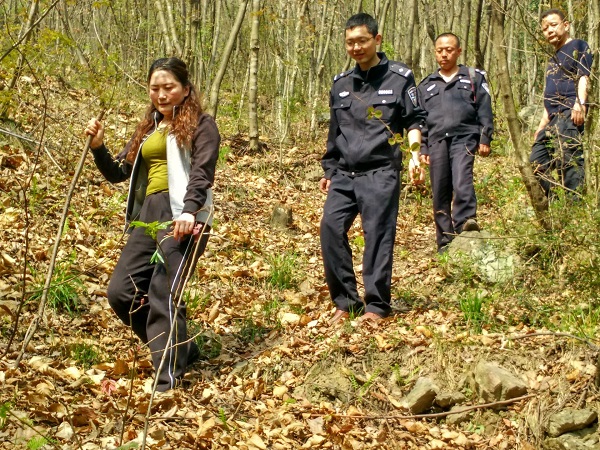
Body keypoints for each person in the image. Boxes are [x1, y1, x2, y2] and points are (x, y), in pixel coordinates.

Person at [85, 57, 220, 391]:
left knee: (163, 292)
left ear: (185, 89)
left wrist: (189, 211)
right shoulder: (149, 128)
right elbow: (119, 172)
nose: (161, 95)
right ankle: (181, 347)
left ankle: (166, 383)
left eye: (168, 87)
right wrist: (99, 147)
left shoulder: (202, 125)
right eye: (154, 88)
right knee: (121, 292)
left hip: (183, 215)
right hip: (147, 216)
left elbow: (202, 172)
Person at [319, 13, 425, 325]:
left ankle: (376, 306)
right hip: (344, 173)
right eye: (350, 42)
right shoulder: (341, 84)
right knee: (330, 229)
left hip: (381, 172)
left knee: (377, 235)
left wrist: (415, 156)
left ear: (376, 39)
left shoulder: (399, 77)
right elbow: (335, 132)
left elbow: (414, 120)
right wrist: (329, 170)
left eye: (362, 41)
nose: (356, 48)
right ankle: (346, 301)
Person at [417, 32, 493, 253]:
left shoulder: (473, 77)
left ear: (458, 51)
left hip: (465, 137)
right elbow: (421, 120)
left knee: (462, 180)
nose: (444, 54)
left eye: (449, 50)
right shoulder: (426, 85)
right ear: (435, 53)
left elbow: (485, 109)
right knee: (440, 189)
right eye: (440, 50)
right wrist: (423, 146)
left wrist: (485, 137)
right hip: (437, 141)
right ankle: (445, 240)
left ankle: (465, 224)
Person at [530, 9, 592, 199]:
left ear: (566, 25)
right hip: (552, 119)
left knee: (570, 164)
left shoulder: (578, 46)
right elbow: (548, 97)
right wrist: (541, 127)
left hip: (570, 113)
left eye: (553, 25)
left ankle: (574, 208)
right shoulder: (552, 60)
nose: (549, 30)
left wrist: (580, 103)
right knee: (535, 162)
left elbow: (584, 76)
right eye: (545, 28)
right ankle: (556, 204)